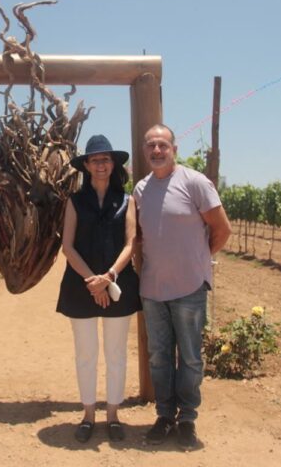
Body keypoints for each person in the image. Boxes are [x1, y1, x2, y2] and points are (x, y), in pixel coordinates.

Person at [133, 124, 231, 451]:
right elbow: (140, 240)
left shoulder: (195, 183)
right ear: (145, 151)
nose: (157, 151)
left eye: (163, 145)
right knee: (159, 357)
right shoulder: (141, 190)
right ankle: (164, 416)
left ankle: (187, 419)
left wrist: (199, 261)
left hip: (189, 288)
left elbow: (222, 229)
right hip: (153, 290)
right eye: (151, 146)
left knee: (189, 358)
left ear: (174, 148)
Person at [57, 135, 142, 443]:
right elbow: (67, 246)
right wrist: (93, 282)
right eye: (95, 160)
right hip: (81, 286)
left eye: (106, 159)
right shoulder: (75, 201)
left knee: (117, 353)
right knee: (86, 354)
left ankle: (113, 416)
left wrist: (107, 277)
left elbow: (131, 243)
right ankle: (88, 415)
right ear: (87, 166)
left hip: (117, 283)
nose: (101, 164)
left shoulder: (128, 200)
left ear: (114, 164)